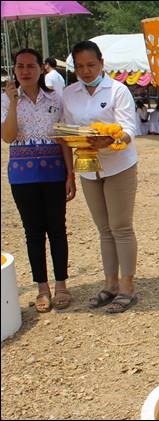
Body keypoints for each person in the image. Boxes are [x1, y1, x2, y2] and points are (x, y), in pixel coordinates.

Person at [61, 40, 139, 313]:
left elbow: (129, 127)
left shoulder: (118, 90)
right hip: (88, 169)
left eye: (91, 65)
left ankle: (128, 286)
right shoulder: (69, 94)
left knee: (121, 226)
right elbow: (66, 131)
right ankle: (110, 284)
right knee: (104, 229)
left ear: (102, 63)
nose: (86, 71)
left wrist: (109, 140)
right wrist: (71, 167)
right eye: (80, 66)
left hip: (119, 166)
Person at [1, 48, 75, 312]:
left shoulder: (55, 98)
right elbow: (8, 137)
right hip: (22, 176)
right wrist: (11, 102)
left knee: (57, 229)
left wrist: (70, 173)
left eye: (30, 66)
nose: (25, 71)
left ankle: (62, 285)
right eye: (20, 66)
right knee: (33, 232)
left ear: (41, 68)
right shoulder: (5, 99)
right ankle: (41, 287)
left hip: (54, 172)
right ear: (15, 69)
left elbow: (64, 137)